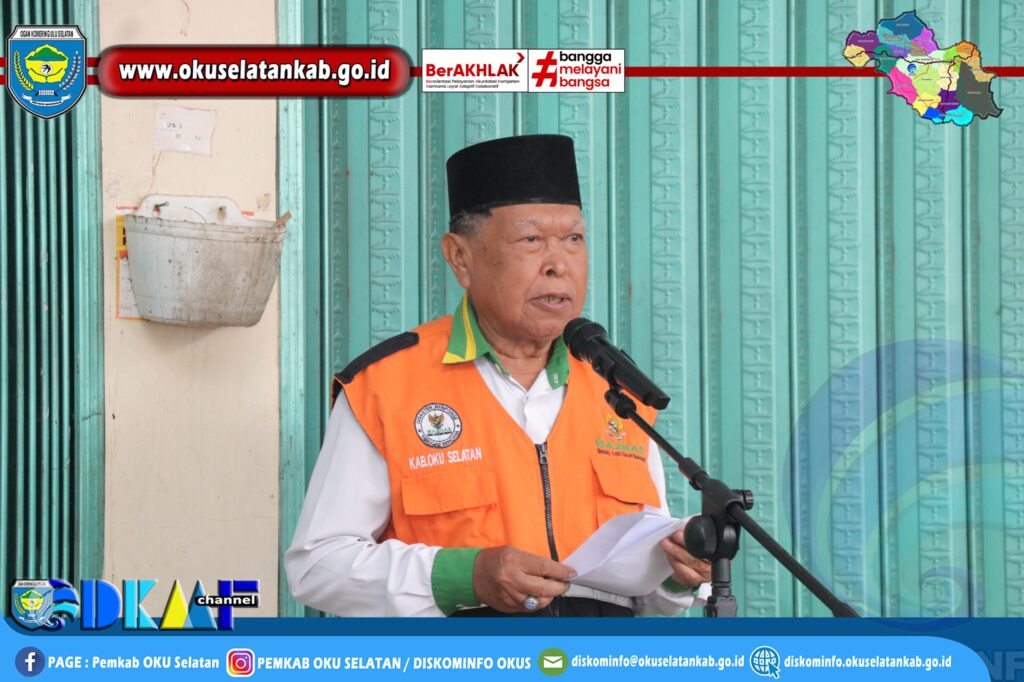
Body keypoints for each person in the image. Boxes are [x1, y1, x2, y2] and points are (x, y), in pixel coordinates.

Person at [285, 134, 712, 617]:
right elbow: (317, 566)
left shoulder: (615, 390)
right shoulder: (386, 387)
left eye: (574, 239)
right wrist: (466, 577)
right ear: (460, 258)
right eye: (531, 240)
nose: (559, 265)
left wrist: (677, 577)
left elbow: (649, 599)